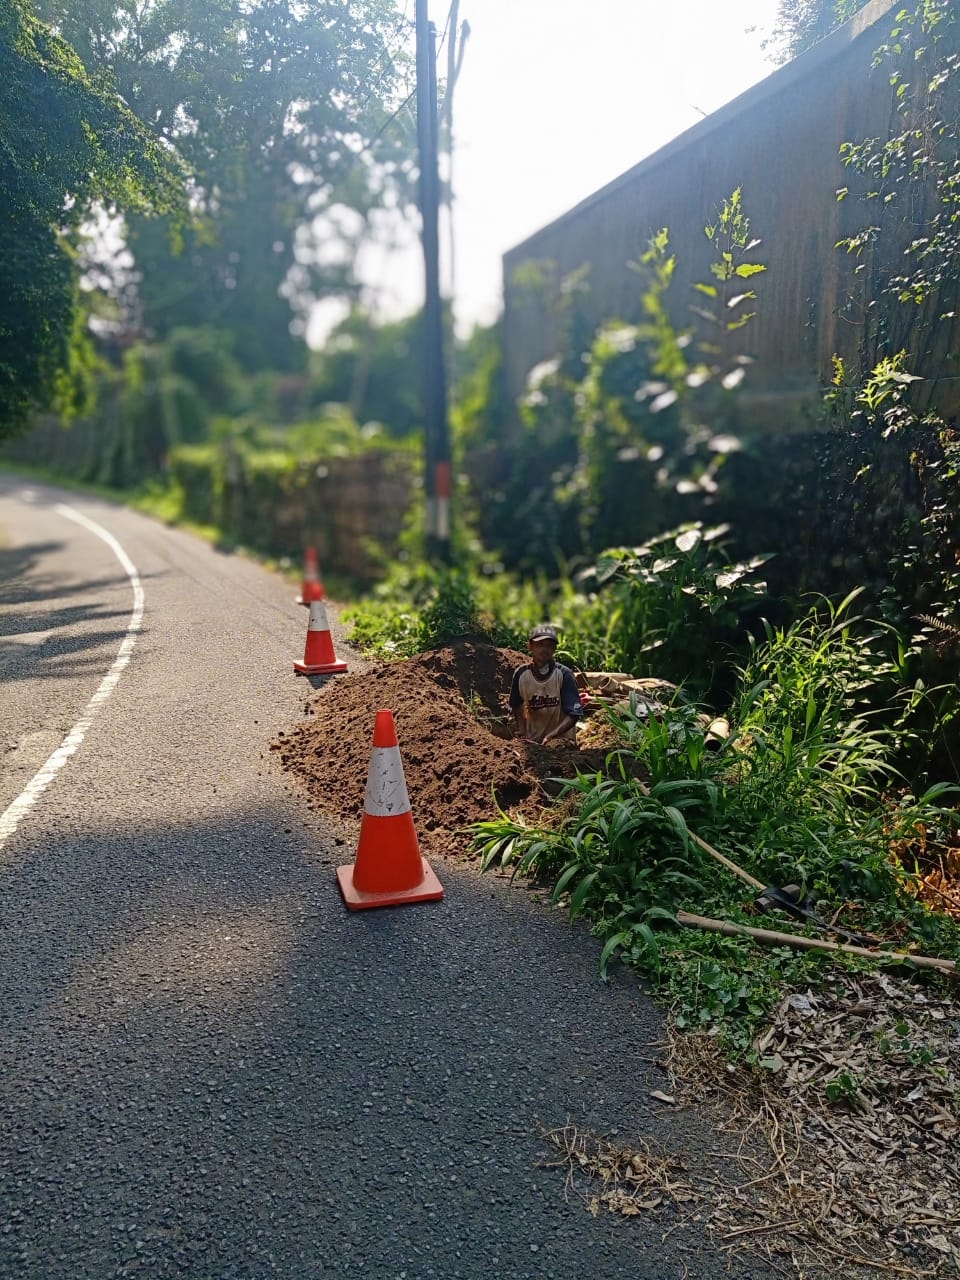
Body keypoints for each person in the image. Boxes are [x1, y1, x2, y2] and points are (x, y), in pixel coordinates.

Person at [509, 624, 583, 745]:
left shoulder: (564, 674)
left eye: (549, 645)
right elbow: (516, 704)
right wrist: (522, 729)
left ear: (554, 649)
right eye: (540, 644)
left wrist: (551, 736)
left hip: (561, 743)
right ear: (530, 646)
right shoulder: (521, 675)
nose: (544, 649)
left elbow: (574, 714)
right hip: (532, 742)